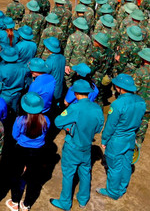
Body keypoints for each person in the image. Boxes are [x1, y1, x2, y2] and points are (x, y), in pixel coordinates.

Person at [51, 80, 104, 210]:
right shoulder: (97, 108)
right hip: (87, 146)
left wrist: (70, 128)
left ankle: (65, 202)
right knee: (85, 172)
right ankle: (83, 199)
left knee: (68, 174)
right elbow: (98, 128)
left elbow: (58, 122)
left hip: (72, 146)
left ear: (76, 93)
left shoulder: (74, 108)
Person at [98, 74, 145, 200]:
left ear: (119, 88)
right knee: (126, 164)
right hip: (130, 138)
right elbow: (140, 121)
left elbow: (110, 126)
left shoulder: (117, 104)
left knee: (115, 167)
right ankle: (122, 188)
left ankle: (113, 192)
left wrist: (104, 139)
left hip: (117, 140)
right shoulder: (141, 101)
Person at [7, 92, 49, 211]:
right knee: (33, 178)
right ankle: (26, 204)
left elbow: (15, 135)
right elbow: (45, 134)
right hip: (38, 151)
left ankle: (15, 201)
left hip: (21, 150)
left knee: (17, 175)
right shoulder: (46, 120)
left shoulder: (20, 120)